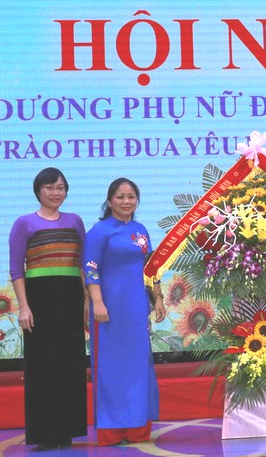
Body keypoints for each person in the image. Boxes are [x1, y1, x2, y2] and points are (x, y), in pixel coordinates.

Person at [9, 167, 88, 450]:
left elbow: (82, 265)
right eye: (50, 188)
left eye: (60, 188)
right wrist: (24, 307)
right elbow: (16, 269)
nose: (56, 193)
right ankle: (44, 434)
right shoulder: (24, 224)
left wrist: (86, 301)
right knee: (43, 367)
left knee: (71, 365)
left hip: (70, 300)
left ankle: (67, 430)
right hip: (39, 302)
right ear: (38, 191)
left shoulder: (75, 221)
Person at [83, 177, 166, 446]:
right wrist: (97, 302)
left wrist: (158, 299)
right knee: (111, 368)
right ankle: (113, 431)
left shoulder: (141, 231)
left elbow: (151, 269)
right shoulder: (99, 231)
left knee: (138, 366)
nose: (126, 201)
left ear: (137, 201)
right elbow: (90, 268)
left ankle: (138, 429)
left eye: (131, 196)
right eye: (120, 196)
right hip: (108, 310)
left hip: (136, 308)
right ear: (110, 201)